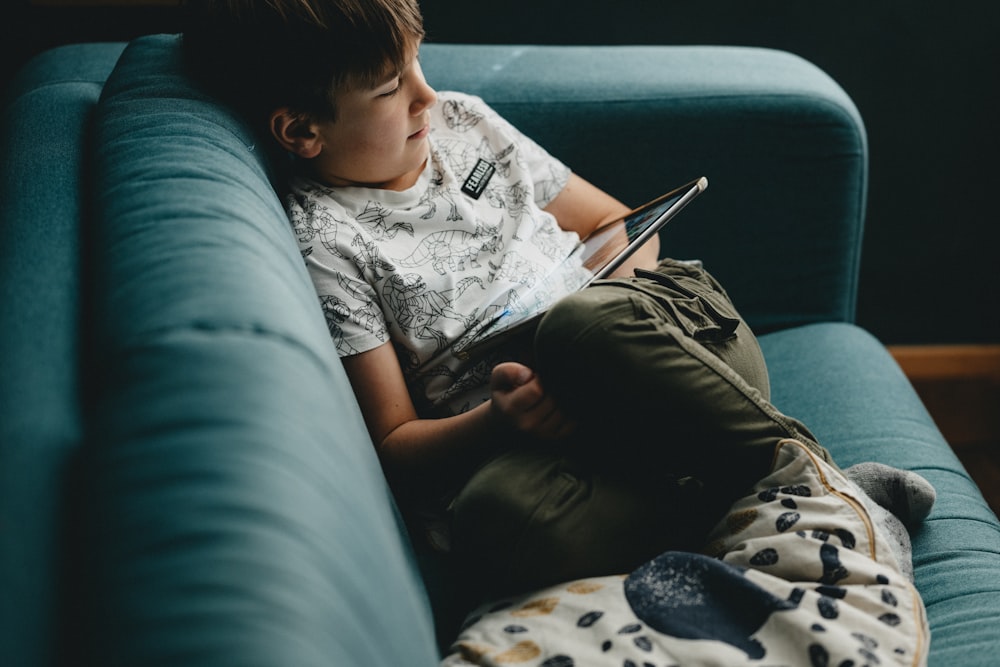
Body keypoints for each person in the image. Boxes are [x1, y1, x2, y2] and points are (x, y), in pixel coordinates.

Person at [181, 0, 934, 600]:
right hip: (560, 443)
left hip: (666, 347)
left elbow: (614, 222)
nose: (427, 95)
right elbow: (395, 445)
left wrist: (614, 298)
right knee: (496, 521)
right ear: (301, 130)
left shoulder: (466, 124)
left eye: (418, 63)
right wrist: (497, 421)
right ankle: (744, 496)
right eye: (391, 89)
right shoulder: (328, 241)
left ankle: (817, 481)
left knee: (582, 324)